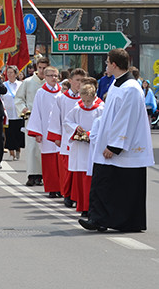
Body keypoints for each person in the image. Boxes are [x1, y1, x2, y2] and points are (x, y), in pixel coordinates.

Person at [79, 49, 155, 232]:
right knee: (106, 183)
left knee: (114, 184)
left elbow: (126, 119)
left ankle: (106, 220)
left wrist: (114, 146)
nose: (106, 65)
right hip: (111, 142)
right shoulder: (117, 84)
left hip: (122, 147)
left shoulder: (131, 88)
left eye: (107, 62)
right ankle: (100, 219)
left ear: (114, 64)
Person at [47, 68, 87, 208]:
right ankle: (67, 194)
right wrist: (56, 136)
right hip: (66, 138)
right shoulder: (61, 98)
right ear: (70, 81)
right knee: (67, 169)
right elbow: (55, 118)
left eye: (82, 81)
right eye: (77, 80)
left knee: (79, 168)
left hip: (83, 140)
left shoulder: (87, 99)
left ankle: (77, 195)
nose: (79, 84)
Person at [63, 83, 104, 217]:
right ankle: (82, 206)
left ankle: (91, 207)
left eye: (89, 101)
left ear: (94, 97)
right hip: (80, 148)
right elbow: (67, 122)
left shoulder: (100, 109)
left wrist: (90, 134)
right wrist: (76, 128)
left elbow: (103, 126)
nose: (86, 103)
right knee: (81, 178)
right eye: (84, 100)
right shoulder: (77, 109)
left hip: (92, 147)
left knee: (91, 179)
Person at [26, 66, 62, 198]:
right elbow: (36, 113)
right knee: (49, 162)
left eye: (56, 75)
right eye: (51, 75)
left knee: (60, 161)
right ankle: (52, 188)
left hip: (59, 131)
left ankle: (61, 188)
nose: (54, 78)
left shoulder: (62, 93)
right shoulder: (41, 92)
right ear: (45, 77)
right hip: (46, 133)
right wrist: (37, 132)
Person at [15, 57, 49, 186]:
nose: (41, 70)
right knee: (31, 147)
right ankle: (31, 175)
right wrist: (23, 108)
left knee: (44, 148)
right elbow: (19, 98)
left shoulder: (50, 84)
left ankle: (41, 175)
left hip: (46, 121)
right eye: (40, 68)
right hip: (31, 118)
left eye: (44, 68)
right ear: (36, 68)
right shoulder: (28, 82)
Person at [2, 66, 24, 160]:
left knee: (18, 133)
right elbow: (1, 97)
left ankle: (18, 150)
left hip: (19, 113)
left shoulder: (21, 84)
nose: (9, 74)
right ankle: (11, 153)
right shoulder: (4, 85)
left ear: (16, 74)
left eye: (11, 72)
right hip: (9, 114)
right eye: (8, 72)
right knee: (10, 134)